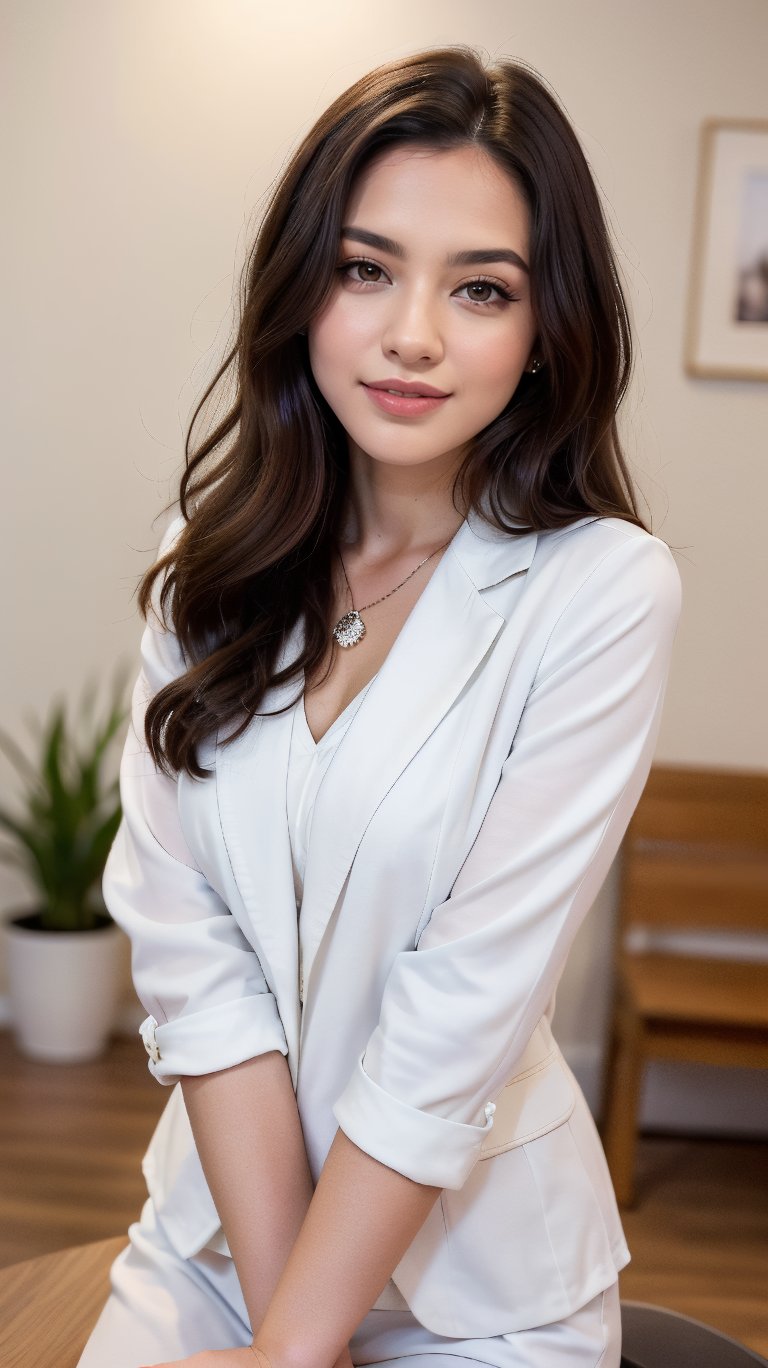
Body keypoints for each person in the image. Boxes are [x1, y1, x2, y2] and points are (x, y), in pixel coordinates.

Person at [78, 46, 681, 1368]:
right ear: (303, 294)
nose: (414, 332)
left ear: (544, 334)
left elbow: (457, 1019)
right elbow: (193, 962)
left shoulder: (600, 593)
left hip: (482, 1288)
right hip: (225, 1243)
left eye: (480, 288)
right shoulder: (207, 565)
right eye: (366, 269)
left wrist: (296, 1355)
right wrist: (288, 1319)